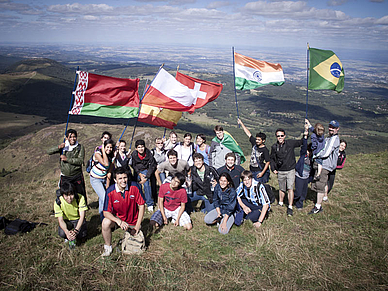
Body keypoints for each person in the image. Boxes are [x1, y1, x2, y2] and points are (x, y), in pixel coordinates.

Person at [101, 167, 145, 257]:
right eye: (120, 178)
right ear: (115, 180)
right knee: (105, 222)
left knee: (137, 244)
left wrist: (137, 226)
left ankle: (128, 237)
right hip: (118, 219)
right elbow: (106, 212)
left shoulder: (135, 186)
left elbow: (141, 205)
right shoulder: (110, 191)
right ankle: (108, 247)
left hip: (133, 221)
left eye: (125, 178)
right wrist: (119, 221)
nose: (123, 181)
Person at [270, 127, 304, 216]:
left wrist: (306, 133)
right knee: (281, 188)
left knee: (290, 188)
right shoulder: (274, 147)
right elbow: (272, 159)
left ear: (285, 136)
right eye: (278, 136)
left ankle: (290, 206)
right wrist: (273, 168)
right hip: (280, 170)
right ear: (276, 137)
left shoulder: (290, 143)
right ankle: (281, 203)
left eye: (281, 135)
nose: (280, 137)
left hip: (290, 170)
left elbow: (301, 142)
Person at [47, 129, 87, 204]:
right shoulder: (63, 147)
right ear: (67, 138)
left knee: (80, 193)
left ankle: (82, 208)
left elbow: (80, 161)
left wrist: (67, 159)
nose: (72, 139)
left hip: (77, 175)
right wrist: (58, 147)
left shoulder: (80, 147)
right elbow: (49, 151)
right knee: (64, 193)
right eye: (70, 137)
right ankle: (62, 208)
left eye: (74, 137)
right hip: (65, 176)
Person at [309, 120, 340, 214]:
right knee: (323, 183)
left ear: (337, 129)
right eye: (330, 127)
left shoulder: (334, 139)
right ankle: (323, 198)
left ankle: (318, 206)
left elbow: (326, 153)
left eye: (333, 128)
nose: (331, 129)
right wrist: (310, 126)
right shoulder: (329, 137)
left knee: (320, 185)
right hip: (324, 164)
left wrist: (316, 155)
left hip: (325, 166)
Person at [54, 182, 87, 248]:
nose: (69, 198)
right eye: (66, 195)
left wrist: (76, 231)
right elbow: (60, 220)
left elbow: (82, 216)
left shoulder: (80, 198)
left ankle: (75, 234)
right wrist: (66, 232)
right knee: (62, 233)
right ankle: (68, 236)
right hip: (67, 220)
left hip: (77, 219)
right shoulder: (58, 202)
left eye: (71, 194)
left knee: (82, 234)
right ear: (62, 195)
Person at [237, 118, 270, 183]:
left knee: (257, 187)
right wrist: (241, 123)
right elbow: (248, 134)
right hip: (252, 170)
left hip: (259, 171)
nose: (257, 141)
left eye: (259, 140)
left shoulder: (265, 150)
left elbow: (268, 162)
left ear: (263, 141)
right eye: (256, 139)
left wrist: (262, 173)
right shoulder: (254, 144)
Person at [90, 139, 115, 221]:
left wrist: (107, 184)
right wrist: (103, 150)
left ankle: (103, 218)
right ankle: (108, 217)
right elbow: (105, 163)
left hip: (104, 178)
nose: (109, 149)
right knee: (105, 198)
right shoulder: (98, 153)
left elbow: (109, 172)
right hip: (95, 179)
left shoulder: (111, 156)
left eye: (111, 147)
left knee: (102, 199)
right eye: (107, 147)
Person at [130, 140, 157, 213]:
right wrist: (139, 174)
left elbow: (152, 165)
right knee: (137, 185)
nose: (141, 149)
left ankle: (149, 203)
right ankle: (140, 200)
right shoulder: (134, 154)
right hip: (137, 171)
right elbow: (133, 165)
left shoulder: (149, 154)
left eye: (142, 147)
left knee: (146, 184)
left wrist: (147, 176)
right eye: (139, 147)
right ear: (136, 148)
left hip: (146, 170)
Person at [294, 129, 312, 210]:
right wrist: (305, 137)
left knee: (304, 193)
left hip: (306, 177)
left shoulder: (313, 159)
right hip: (299, 176)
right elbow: (304, 146)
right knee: (298, 192)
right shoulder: (303, 155)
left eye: (310, 151)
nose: (308, 153)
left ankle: (299, 205)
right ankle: (293, 200)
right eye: (308, 151)